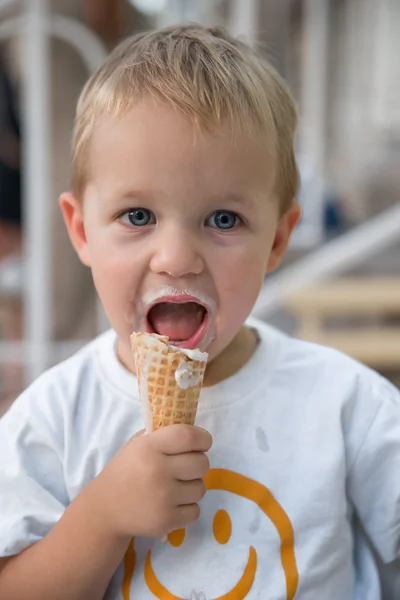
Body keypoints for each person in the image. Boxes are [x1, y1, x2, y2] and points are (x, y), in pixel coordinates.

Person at [0, 24, 399, 600]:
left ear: (278, 241)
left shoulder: (345, 405)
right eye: (138, 216)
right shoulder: (55, 418)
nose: (177, 259)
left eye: (223, 220)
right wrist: (101, 518)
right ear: (82, 231)